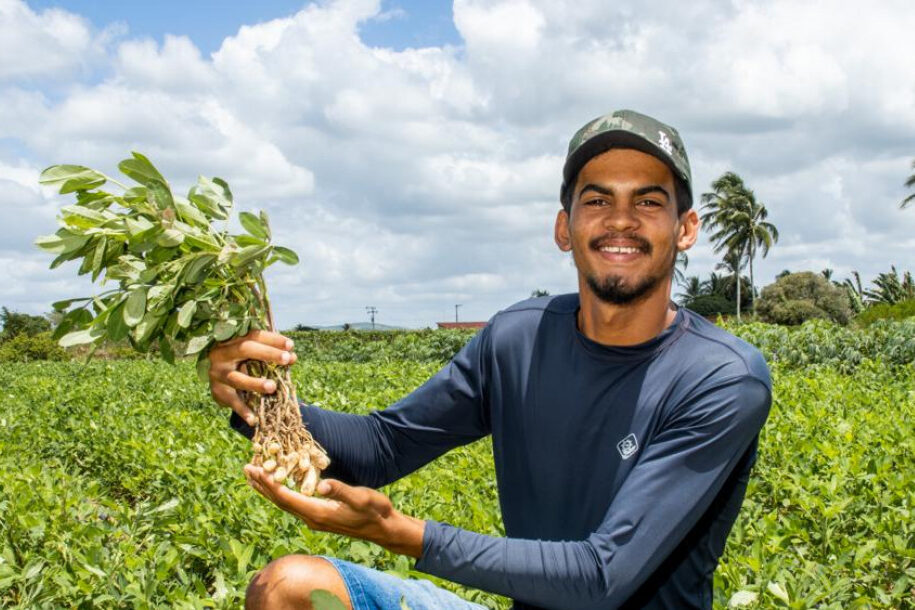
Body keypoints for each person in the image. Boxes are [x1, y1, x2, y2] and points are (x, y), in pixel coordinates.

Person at [208, 109, 772, 610]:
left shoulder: (721, 378)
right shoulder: (518, 340)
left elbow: (603, 578)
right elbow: (383, 447)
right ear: (564, 228)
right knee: (289, 587)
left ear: (686, 228)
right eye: (597, 200)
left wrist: (401, 533)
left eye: (648, 202)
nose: (620, 220)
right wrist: (256, 393)